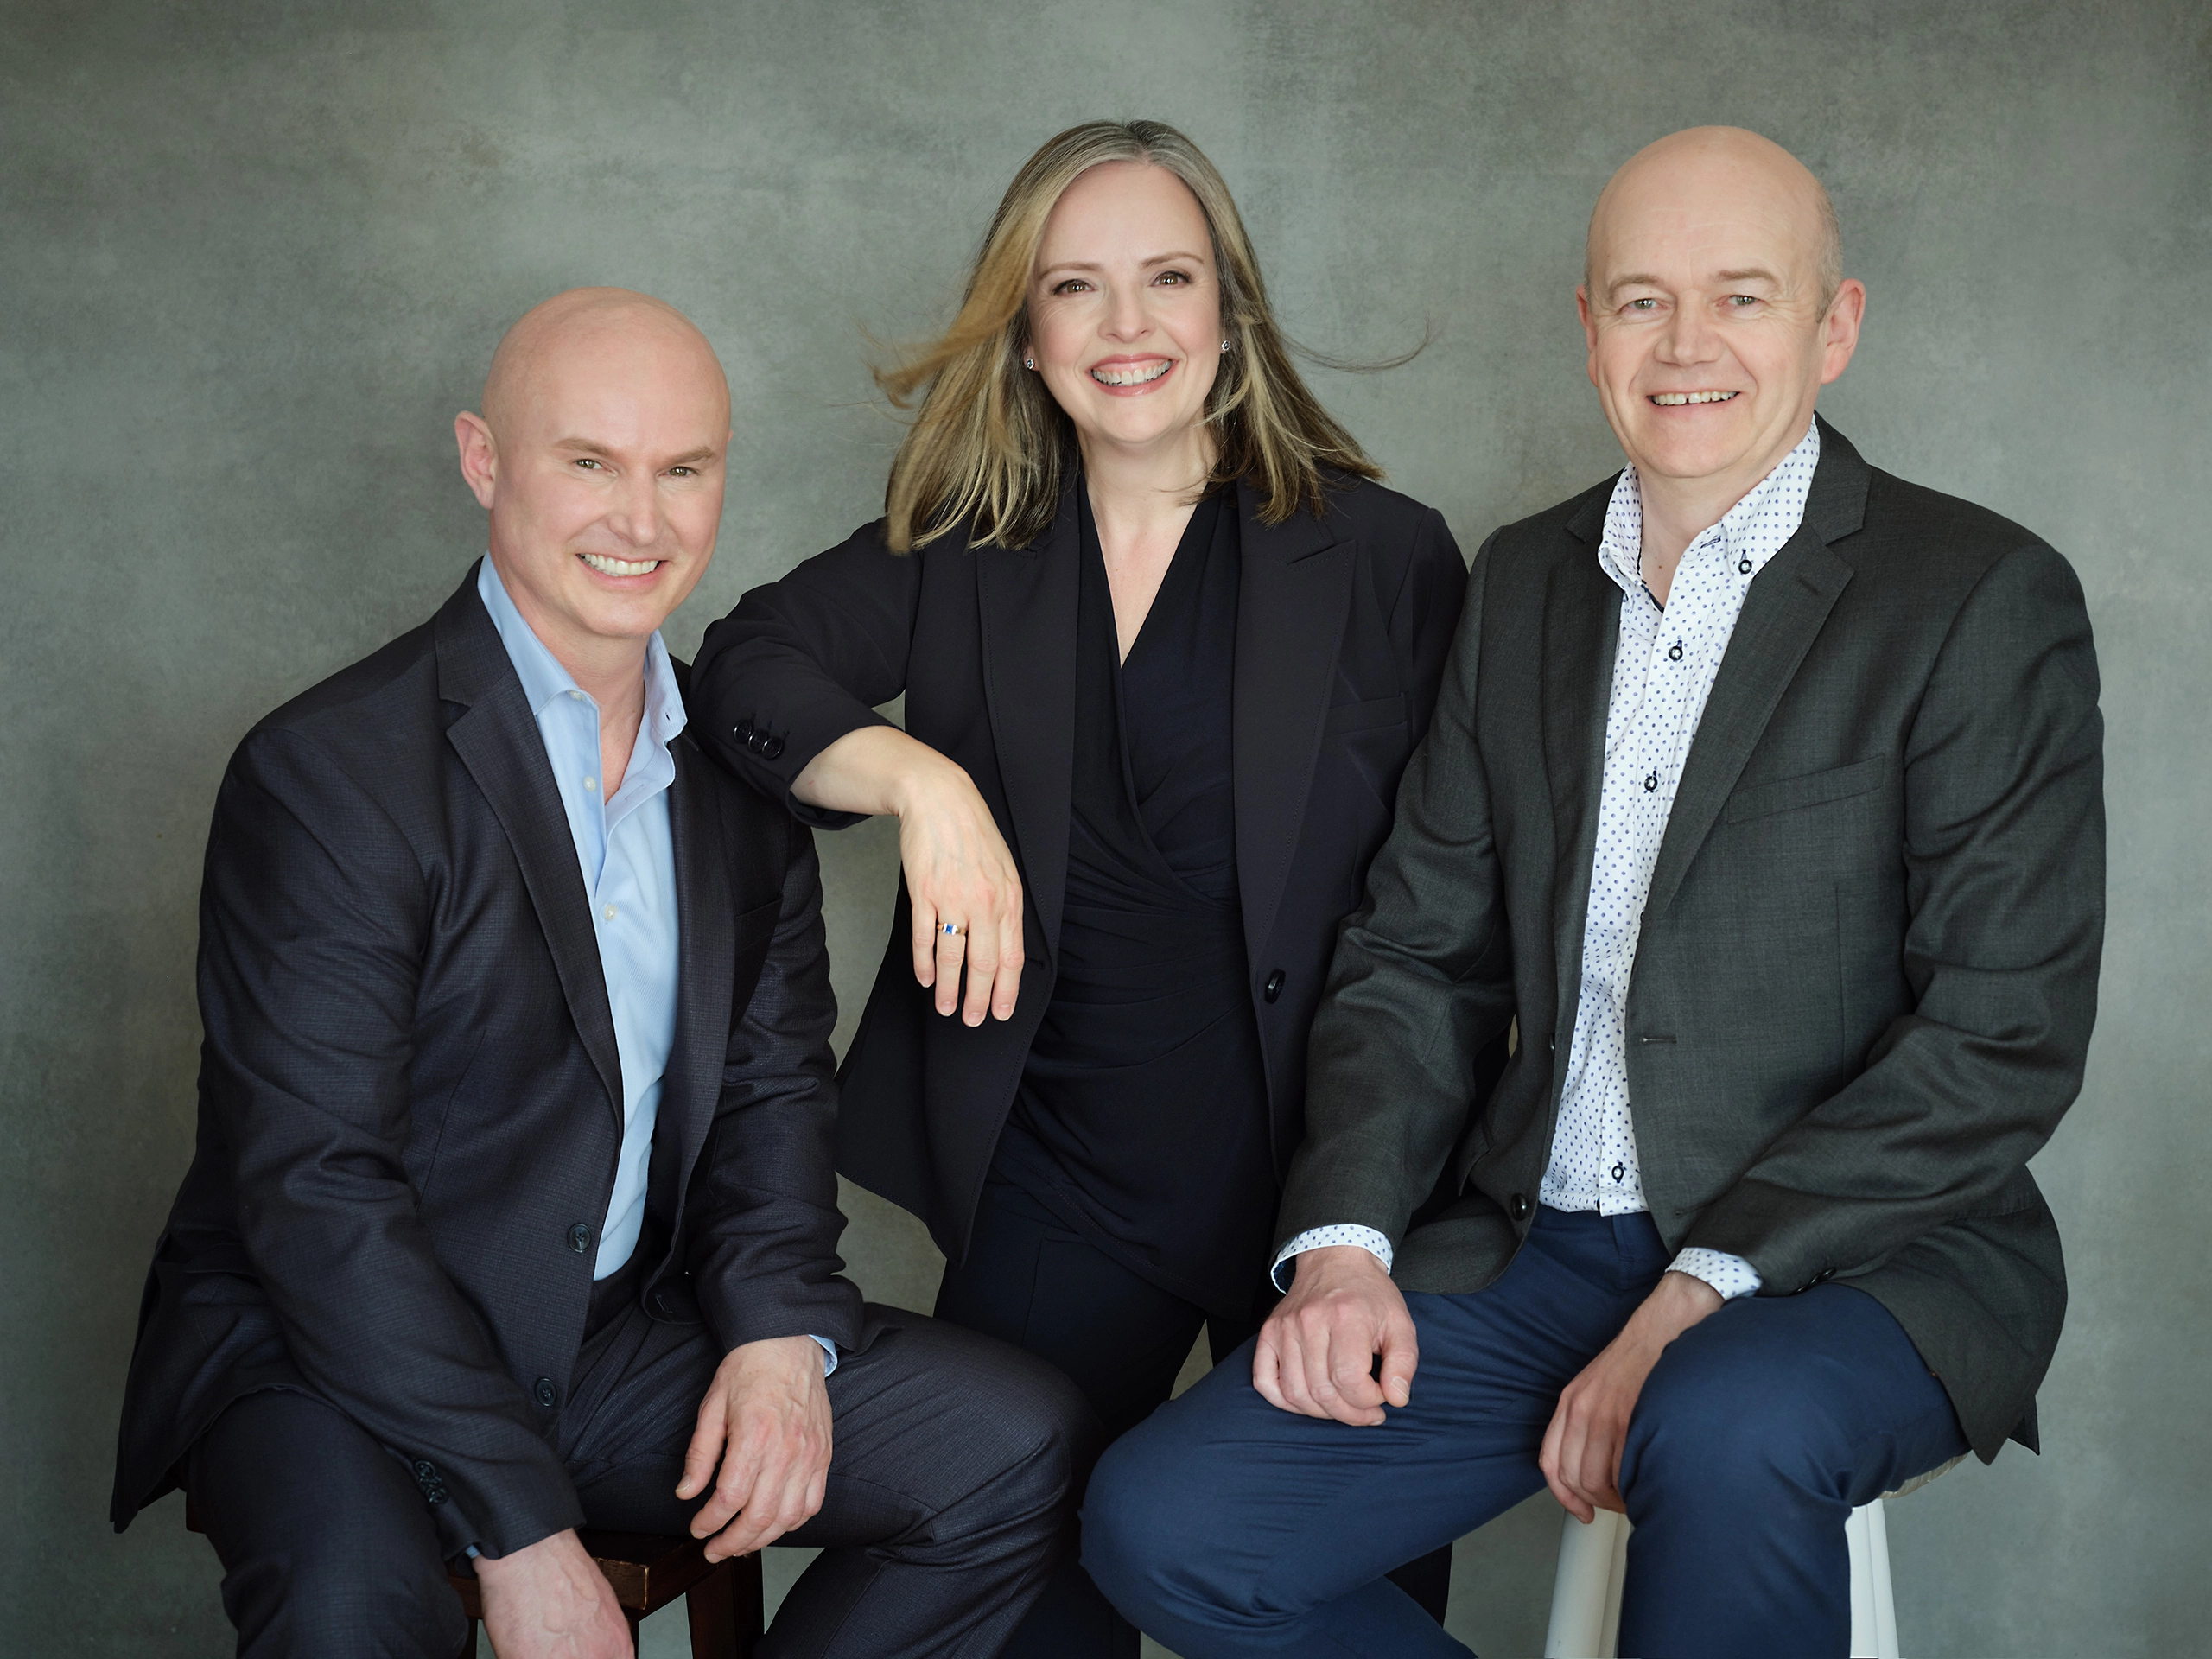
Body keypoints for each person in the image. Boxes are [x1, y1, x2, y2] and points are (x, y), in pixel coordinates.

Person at [1081, 126, 2106, 1659]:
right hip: (1541, 1242)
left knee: (1722, 1424)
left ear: (1835, 327)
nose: (1686, 347)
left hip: (1871, 1256)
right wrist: (1348, 1242)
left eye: (1743, 300)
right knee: (1167, 1531)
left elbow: (2001, 1034)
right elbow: (1417, 954)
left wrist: (1701, 1291)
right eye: (1641, 301)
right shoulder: (1526, 585)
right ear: (1586, 330)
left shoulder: (1976, 598)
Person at [108, 288, 1093, 1659]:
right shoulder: (329, 773)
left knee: (1013, 1447)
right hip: (325, 1355)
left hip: (614, 1338)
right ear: (483, 459)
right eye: (590, 463)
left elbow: (766, 1100)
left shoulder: (741, 788)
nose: (641, 521)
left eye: (682, 470)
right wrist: (520, 1533)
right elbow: (312, 1189)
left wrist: (777, 1338)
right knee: (356, 1610)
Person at [689, 120, 1471, 1656]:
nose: (1129, 329)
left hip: (1328, 1187)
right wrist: (925, 782)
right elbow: (742, 673)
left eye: (1168, 279)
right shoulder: (963, 547)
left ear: (1228, 313)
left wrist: (1370, 1216)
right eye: (1078, 288)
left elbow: (1466, 899)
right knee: (1024, 1605)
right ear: (1028, 333)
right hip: (1057, 1177)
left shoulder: (1384, 559)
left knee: (1313, 1610)